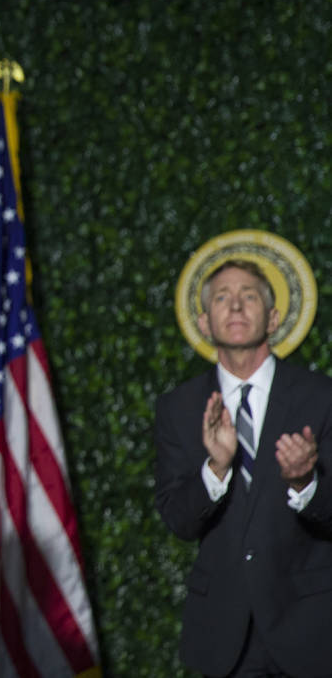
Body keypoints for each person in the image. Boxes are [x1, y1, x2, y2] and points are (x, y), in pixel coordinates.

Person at [155, 259, 332, 677]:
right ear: (203, 322)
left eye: (248, 296)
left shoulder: (322, 397)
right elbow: (179, 520)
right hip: (223, 637)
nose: (235, 306)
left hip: (312, 630)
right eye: (222, 297)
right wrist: (215, 468)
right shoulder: (178, 408)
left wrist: (306, 481)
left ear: (273, 317)